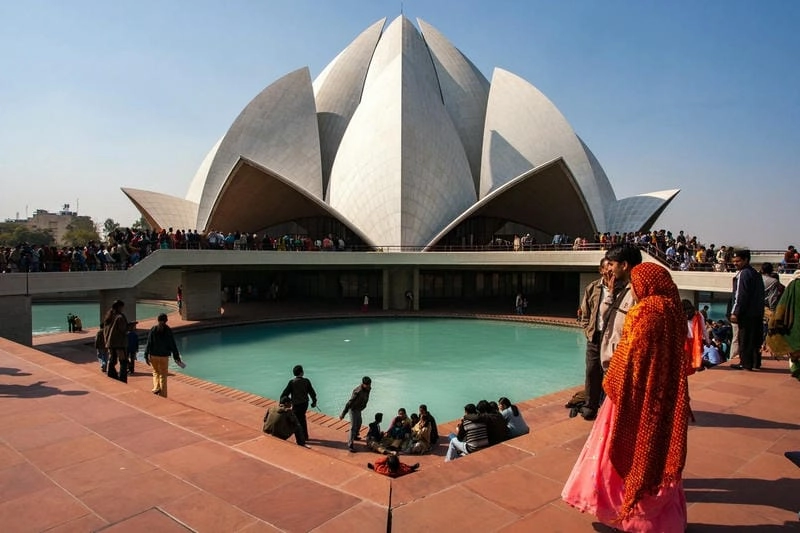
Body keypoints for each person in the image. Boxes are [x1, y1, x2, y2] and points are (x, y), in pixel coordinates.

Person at [562, 262, 691, 532]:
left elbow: (630, 356)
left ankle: (628, 514)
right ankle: (662, 520)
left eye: (636, 284)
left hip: (633, 395)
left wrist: (610, 383)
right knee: (656, 454)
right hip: (663, 395)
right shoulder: (674, 310)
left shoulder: (645, 311)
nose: (634, 288)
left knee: (626, 450)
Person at [575, 258, 613, 420]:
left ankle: (608, 406)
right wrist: (587, 330)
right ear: (601, 270)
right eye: (607, 267)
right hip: (595, 336)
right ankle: (590, 406)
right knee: (591, 371)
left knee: (610, 373)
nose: (610, 271)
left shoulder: (621, 289)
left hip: (611, 338)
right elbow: (585, 312)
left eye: (612, 267)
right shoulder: (592, 288)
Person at [728, 249, 765, 370]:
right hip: (757, 312)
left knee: (744, 339)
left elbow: (740, 295)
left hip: (747, 313)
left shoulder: (743, 274)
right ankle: (755, 363)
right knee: (755, 339)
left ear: (746, 260)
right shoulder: (755, 273)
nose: (735, 263)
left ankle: (745, 363)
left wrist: (735, 312)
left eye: (738, 261)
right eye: (734, 261)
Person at [767, 270, 800, 381]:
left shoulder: (794, 284)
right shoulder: (794, 284)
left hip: (795, 324)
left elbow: (782, 306)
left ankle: (795, 365)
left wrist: (775, 321)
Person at [143, 313, 183, 397]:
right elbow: (173, 344)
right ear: (166, 321)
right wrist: (176, 357)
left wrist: (146, 355)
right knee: (163, 375)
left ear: (158, 320)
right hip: (164, 356)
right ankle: (163, 395)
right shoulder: (168, 330)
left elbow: (149, 342)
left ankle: (156, 387)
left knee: (155, 372)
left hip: (153, 355)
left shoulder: (153, 329)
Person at [281, 365, 318, 441]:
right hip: (304, 404)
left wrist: (286, 402)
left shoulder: (292, 382)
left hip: (296, 405)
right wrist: (314, 402)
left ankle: (300, 438)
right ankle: (305, 436)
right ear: (301, 373)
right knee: (302, 419)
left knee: (296, 421)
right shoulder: (306, 381)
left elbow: (284, 394)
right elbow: (312, 393)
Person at [340, 376, 371, 452]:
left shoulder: (368, 389)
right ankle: (350, 445)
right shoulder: (357, 391)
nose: (369, 386)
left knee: (359, 422)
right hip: (353, 409)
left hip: (359, 409)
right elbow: (349, 403)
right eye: (367, 385)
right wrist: (343, 413)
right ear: (363, 384)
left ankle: (356, 435)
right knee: (353, 426)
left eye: (370, 384)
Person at [103, 300, 129, 382]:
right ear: (119, 307)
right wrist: (130, 327)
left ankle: (111, 374)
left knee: (112, 359)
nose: (122, 309)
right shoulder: (120, 317)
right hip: (119, 343)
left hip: (110, 342)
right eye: (122, 307)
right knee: (123, 361)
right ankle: (122, 378)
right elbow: (123, 329)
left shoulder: (109, 315)